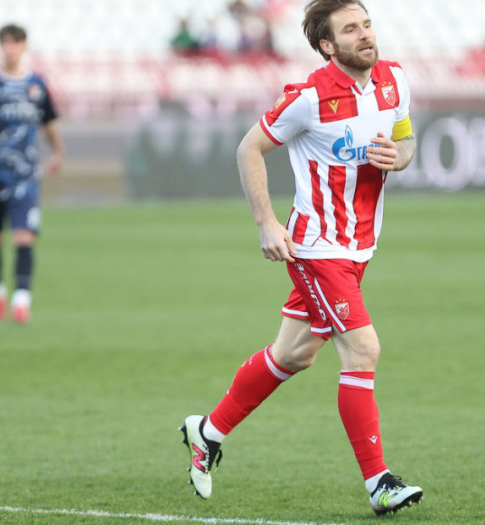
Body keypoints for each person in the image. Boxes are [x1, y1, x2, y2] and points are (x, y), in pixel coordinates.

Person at [180, 0, 421, 515]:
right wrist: (267, 223)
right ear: (328, 46)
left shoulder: (394, 80)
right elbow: (248, 148)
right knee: (363, 351)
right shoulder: (308, 98)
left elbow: (406, 139)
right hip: (317, 248)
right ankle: (379, 483)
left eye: (367, 25)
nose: (365, 35)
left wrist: (398, 158)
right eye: (350, 30)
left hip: (360, 247)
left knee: (293, 354)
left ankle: (207, 432)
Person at [0, 24, 64, 324]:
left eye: (15, 42)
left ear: (24, 46)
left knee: (24, 236)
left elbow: (48, 121)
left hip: (25, 176)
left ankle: (21, 300)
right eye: (6, 42)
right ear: (0, 46)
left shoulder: (36, 85)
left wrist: (57, 151)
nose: (10, 48)